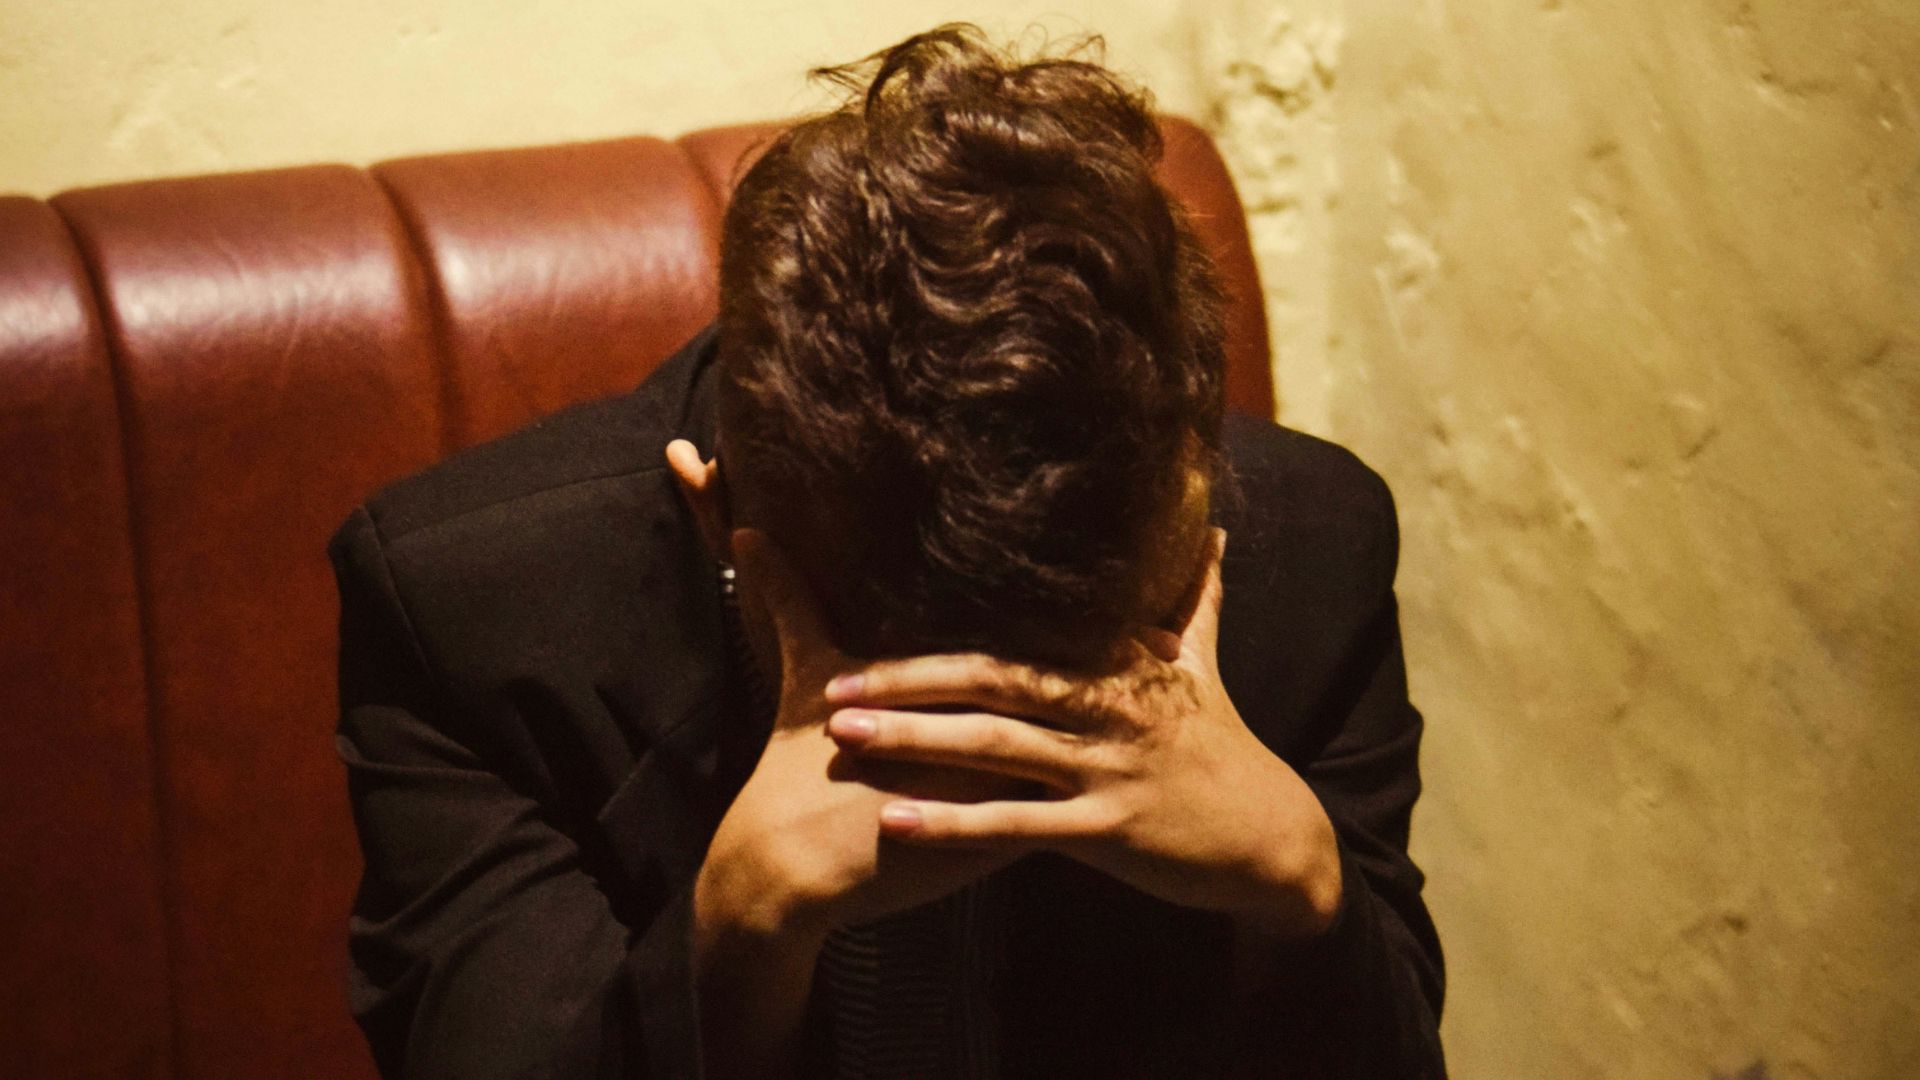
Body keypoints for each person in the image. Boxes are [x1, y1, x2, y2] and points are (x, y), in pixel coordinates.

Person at [328, 22, 1445, 1080]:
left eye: (1088, 656)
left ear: (1197, 461)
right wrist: (743, 923)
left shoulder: (1305, 547)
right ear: (719, 503)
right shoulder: (473, 610)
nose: (985, 735)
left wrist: (1300, 886)